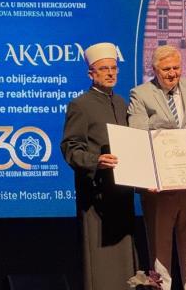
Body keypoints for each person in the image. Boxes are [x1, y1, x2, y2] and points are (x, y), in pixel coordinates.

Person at [128, 45, 186, 290]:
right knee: (160, 252)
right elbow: (138, 137)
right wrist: (149, 176)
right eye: (166, 69)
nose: (172, 73)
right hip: (160, 187)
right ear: (155, 70)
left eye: (176, 68)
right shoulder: (141, 94)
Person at [60, 42, 136, 290]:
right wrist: (96, 161)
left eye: (114, 68)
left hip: (122, 193)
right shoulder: (80, 105)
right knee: (101, 268)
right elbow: (70, 148)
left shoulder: (122, 103)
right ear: (91, 74)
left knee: (125, 266)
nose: (110, 73)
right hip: (97, 197)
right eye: (104, 69)